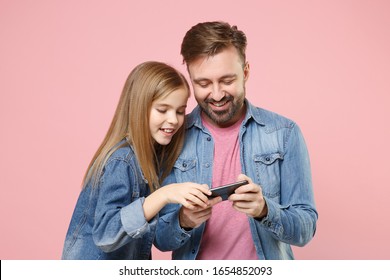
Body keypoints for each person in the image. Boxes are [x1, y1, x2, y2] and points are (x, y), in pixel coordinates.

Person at [154, 21, 318, 260]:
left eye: (227, 81)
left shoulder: (285, 133)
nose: (217, 94)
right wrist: (184, 221)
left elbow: (306, 229)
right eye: (203, 83)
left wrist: (264, 210)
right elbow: (159, 239)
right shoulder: (172, 137)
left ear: (246, 72)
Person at [61, 61, 211, 260]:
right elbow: (106, 234)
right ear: (139, 107)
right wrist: (164, 195)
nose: (174, 120)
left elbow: (156, 237)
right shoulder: (122, 161)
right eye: (162, 110)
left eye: (180, 111)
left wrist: (185, 220)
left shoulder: (151, 160)